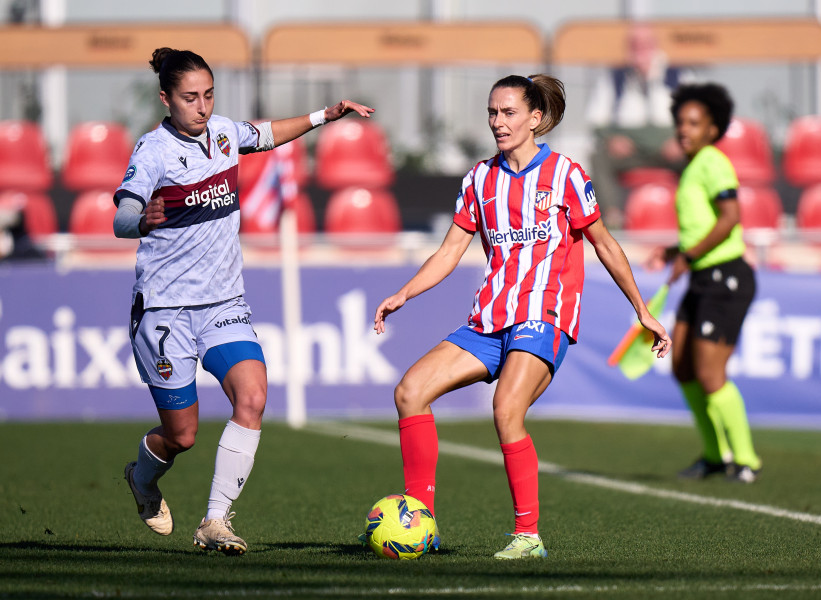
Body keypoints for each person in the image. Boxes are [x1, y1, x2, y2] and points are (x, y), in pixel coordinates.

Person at [373, 74, 670, 559]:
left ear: (535, 119)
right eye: (492, 112)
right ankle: (420, 522)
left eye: (509, 112)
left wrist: (642, 311)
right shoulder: (479, 179)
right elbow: (451, 251)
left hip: (545, 313)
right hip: (491, 318)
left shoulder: (567, 176)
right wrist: (404, 293)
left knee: (506, 409)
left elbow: (605, 245)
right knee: (409, 391)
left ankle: (527, 536)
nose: (498, 122)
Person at [115, 47, 374, 554]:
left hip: (222, 304)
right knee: (182, 436)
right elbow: (122, 218)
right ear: (166, 98)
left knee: (252, 397)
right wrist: (145, 218)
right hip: (165, 310)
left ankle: (214, 522)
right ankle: (142, 478)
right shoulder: (153, 151)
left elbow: (269, 133)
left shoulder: (224, 135)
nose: (202, 107)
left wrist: (327, 114)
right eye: (190, 98)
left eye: (209, 95)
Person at [644, 82, 762, 484]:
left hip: (725, 277)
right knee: (682, 369)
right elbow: (705, 226)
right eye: (680, 122)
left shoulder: (713, 161)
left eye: (694, 123)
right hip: (702, 275)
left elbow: (730, 217)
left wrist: (688, 256)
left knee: (711, 374)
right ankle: (714, 456)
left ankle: (745, 460)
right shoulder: (693, 167)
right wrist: (677, 250)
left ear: (713, 129)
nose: (684, 129)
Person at [586, 24, 690, 227]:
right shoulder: (613, 79)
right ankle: (613, 217)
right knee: (599, 157)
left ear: (655, 45)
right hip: (629, 150)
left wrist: (681, 140)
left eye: (645, 44)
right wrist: (611, 139)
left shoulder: (679, 76)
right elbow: (595, 120)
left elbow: (698, 117)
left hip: (670, 146)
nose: (640, 50)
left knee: (698, 157)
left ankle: (692, 215)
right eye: (635, 45)